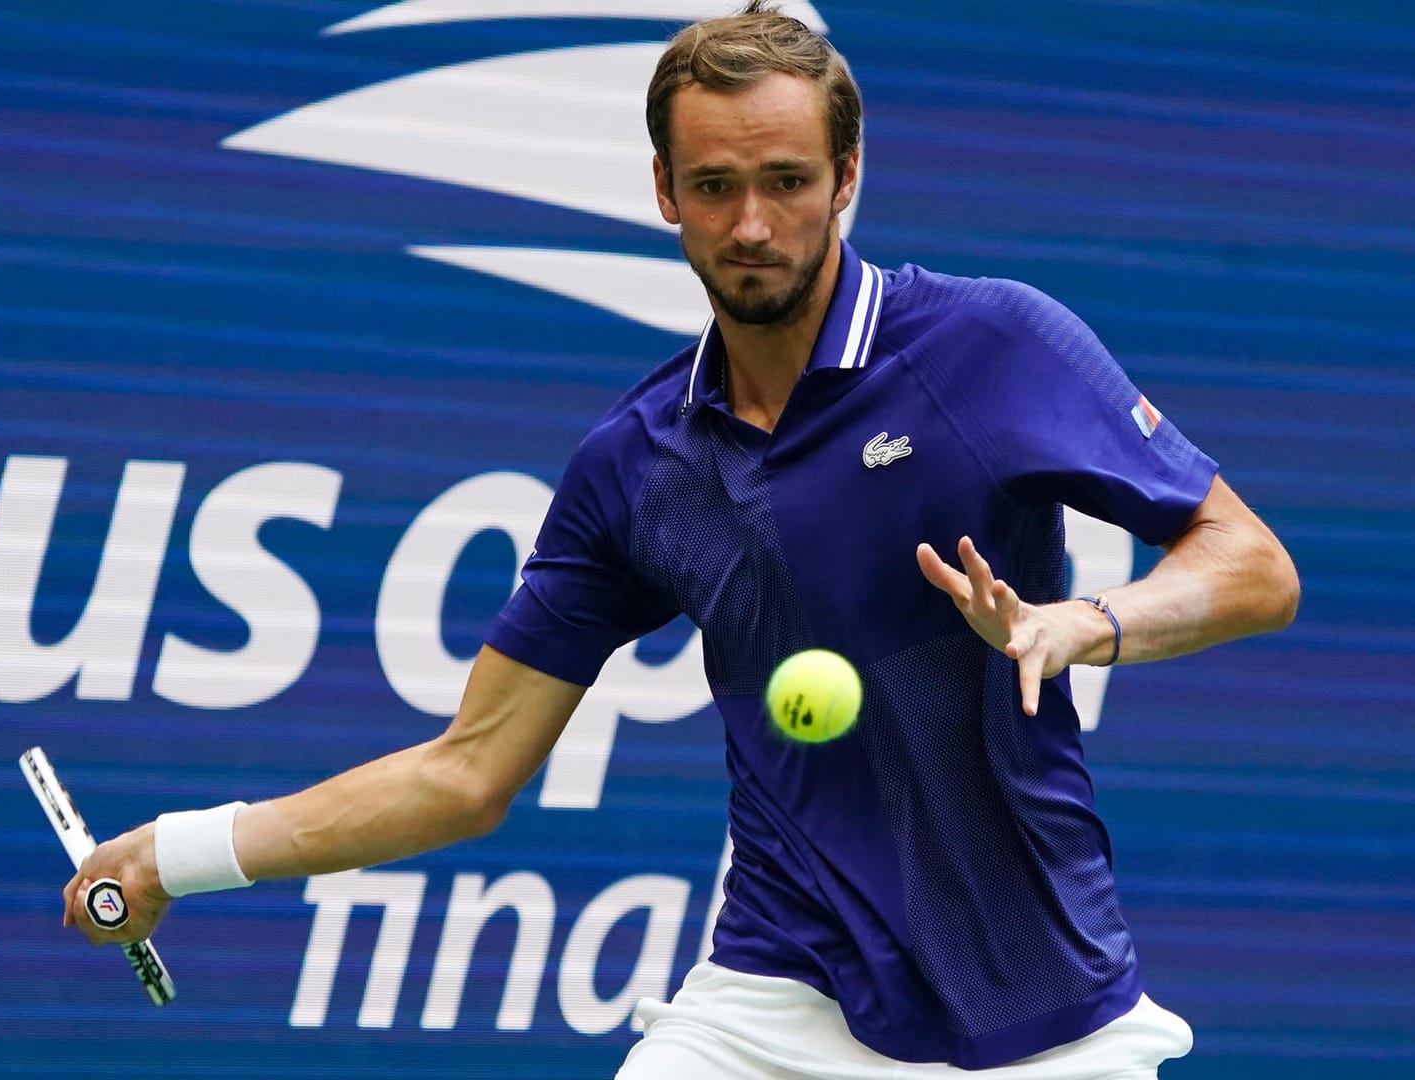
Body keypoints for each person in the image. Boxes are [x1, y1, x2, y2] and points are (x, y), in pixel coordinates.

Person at [65, 4, 1299, 1076]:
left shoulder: (993, 349)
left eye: (788, 182)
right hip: (774, 998)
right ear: (664, 194)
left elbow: (1252, 563)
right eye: (714, 188)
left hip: (1047, 1020)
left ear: (849, 175)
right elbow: (467, 771)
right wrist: (180, 855)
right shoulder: (638, 462)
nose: (751, 224)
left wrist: (1083, 623)